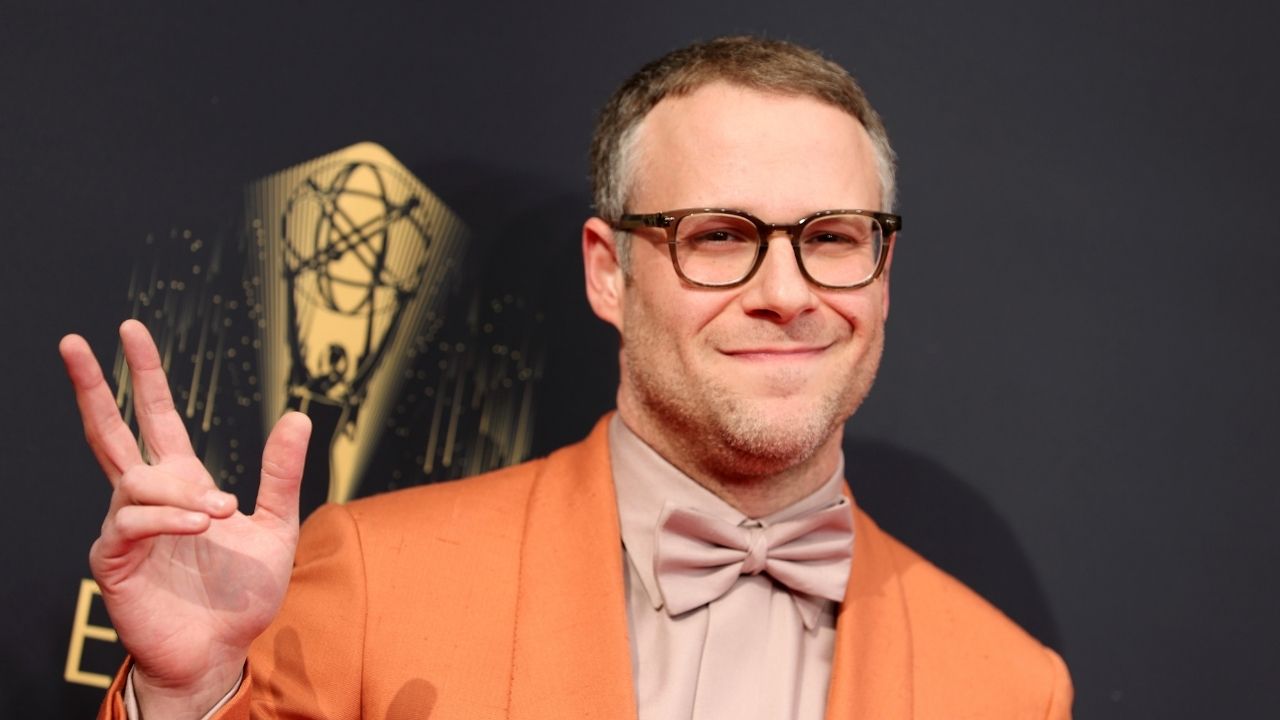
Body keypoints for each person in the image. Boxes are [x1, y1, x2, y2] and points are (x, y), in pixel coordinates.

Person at [61, 36, 1073, 719]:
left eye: (831, 238)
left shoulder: (1006, 688)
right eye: (717, 236)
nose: (785, 290)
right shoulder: (374, 582)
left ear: (882, 271)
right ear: (608, 269)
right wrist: (185, 696)